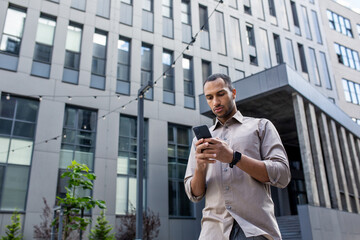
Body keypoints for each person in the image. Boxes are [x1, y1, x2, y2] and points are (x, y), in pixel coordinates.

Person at [184, 73, 291, 240]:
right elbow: (194, 194)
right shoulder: (200, 141)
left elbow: (282, 175)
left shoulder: (261, 126)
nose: (215, 102)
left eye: (221, 94)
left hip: (255, 231)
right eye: (209, 97)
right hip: (213, 233)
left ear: (233, 93)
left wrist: (234, 157)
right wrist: (200, 167)